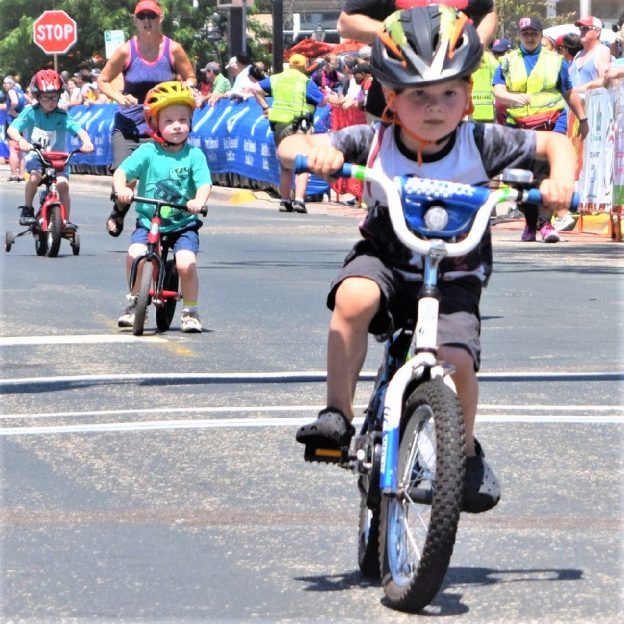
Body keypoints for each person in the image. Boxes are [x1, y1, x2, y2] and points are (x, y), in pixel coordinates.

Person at [278, 3, 577, 514]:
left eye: (448, 93)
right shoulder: (373, 141)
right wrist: (313, 152)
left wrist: (562, 181)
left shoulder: (481, 141)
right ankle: (336, 415)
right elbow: (291, 144)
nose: (435, 106)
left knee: (457, 359)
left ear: (467, 96)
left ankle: (462, 456)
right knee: (353, 298)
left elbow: (554, 143)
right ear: (390, 98)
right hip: (387, 258)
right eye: (419, 95)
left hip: (456, 269)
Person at [112, 81, 212, 333]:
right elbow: (122, 171)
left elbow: (203, 183)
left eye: (182, 119)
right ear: (154, 124)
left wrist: (199, 201)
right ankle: (135, 304)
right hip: (149, 220)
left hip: (182, 223)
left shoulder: (194, 155)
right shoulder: (148, 151)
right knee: (135, 254)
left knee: (185, 263)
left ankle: (190, 310)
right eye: (168, 121)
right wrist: (121, 189)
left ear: (191, 121)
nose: (177, 125)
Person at [98, 0, 196, 238]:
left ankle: (156, 226)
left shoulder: (173, 50)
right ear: (135, 20)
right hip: (129, 125)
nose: (147, 21)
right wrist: (119, 97)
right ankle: (119, 212)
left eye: (151, 16)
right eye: (142, 17)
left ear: (160, 19)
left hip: (158, 126)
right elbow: (103, 81)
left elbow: (191, 76)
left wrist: (186, 88)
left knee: (157, 181)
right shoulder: (126, 50)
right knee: (127, 178)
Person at [492, 16, 587, 239]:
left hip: (551, 122)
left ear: (541, 34)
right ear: (519, 36)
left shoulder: (556, 61)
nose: (530, 37)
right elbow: (498, 90)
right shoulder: (507, 61)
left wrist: (583, 119)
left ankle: (546, 224)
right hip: (519, 125)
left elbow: (568, 92)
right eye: (525, 33)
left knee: (546, 173)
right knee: (518, 177)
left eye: (534, 33)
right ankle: (530, 222)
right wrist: (513, 99)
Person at [337, 0, 497, 120]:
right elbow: (345, 23)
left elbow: (488, 11)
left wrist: (477, 44)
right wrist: (399, 32)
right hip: (392, 108)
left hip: (451, 106)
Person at [7, 70, 94, 228]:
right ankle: (27, 209)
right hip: (36, 155)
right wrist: (21, 141)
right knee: (34, 177)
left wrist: (86, 141)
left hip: (58, 157)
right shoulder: (31, 112)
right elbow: (12, 129)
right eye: (46, 97)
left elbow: (79, 130)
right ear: (37, 97)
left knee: (63, 185)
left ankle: (65, 220)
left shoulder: (62, 115)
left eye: (54, 97)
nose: (50, 101)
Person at [254, 53, 324, 214]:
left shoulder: (277, 78)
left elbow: (255, 89)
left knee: (285, 165)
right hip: (300, 125)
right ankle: (299, 200)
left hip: (279, 125)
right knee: (302, 163)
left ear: (290, 65)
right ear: (304, 67)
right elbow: (321, 102)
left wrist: (266, 108)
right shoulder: (306, 81)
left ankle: (284, 201)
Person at [568, 17, 612, 94]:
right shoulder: (579, 54)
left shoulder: (602, 51)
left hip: (591, 103)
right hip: (573, 103)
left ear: (597, 32)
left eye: (586, 28)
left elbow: (604, 80)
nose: (582, 31)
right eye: (581, 28)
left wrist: (580, 88)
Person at [1, 76, 27, 181]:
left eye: (5, 83)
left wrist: (11, 111)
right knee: (21, 150)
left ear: (11, 84)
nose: (3, 85)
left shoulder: (11, 91)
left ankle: (13, 174)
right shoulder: (20, 91)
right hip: (21, 122)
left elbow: (14, 102)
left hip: (11, 122)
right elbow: (30, 100)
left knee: (13, 151)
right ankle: (21, 174)